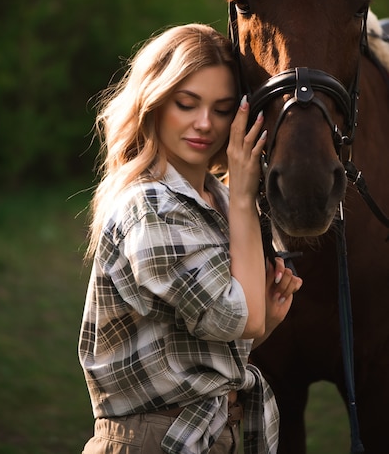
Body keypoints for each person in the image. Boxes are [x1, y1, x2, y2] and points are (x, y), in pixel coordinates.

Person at [78, 23, 303, 454]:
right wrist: (242, 195)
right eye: (186, 103)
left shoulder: (213, 200)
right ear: (155, 103)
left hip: (216, 434)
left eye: (222, 110)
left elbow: (201, 347)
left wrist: (265, 318)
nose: (205, 124)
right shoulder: (151, 205)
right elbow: (242, 318)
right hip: (152, 439)